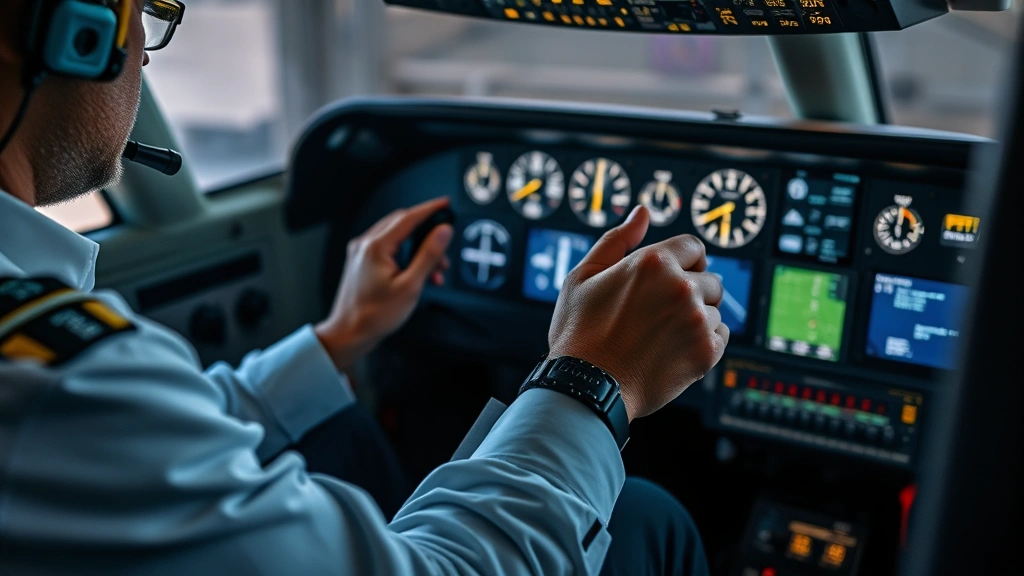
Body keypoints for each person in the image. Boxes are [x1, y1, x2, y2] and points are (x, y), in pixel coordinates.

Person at [0, 1, 729, 574]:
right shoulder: (56, 390)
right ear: (65, 28)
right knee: (643, 514)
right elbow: (116, 426)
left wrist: (340, 336)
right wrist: (590, 379)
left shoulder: (65, 389)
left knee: (340, 431)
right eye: (145, 11)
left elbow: (147, 440)